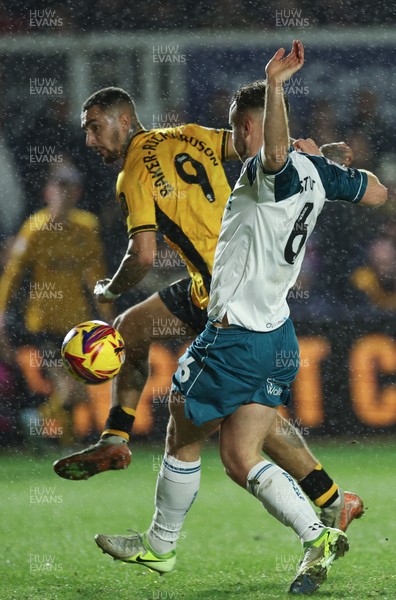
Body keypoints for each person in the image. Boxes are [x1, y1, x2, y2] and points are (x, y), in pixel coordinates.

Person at [93, 41, 387, 594]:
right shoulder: (316, 175)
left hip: (233, 336)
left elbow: (274, 158)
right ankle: (318, 532)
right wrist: (330, 161)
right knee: (240, 454)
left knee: (182, 428)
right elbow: (376, 191)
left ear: (251, 129)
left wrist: (275, 85)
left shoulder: (264, 172)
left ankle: (159, 547)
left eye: (237, 128)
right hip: (278, 335)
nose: (234, 140)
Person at [53, 76, 363, 532]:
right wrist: (316, 158)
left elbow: (140, 255)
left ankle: (160, 527)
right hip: (230, 281)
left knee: (235, 427)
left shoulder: (133, 172)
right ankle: (116, 438)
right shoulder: (189, 135)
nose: (90, 139)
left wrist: (110, 288)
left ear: (124, 120)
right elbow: (256, 143)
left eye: (95, 127)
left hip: (225, 293)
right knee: (133, 331)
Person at [0, 161, 112, 445]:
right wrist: (1, 313)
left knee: (78, 391)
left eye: (70, 189)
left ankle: (64, 443)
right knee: (69, 387)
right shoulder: (35, 228)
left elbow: (96, 276)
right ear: (48, 192)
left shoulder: (86, 228)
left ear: (77, 193)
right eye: (59, 188)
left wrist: (107, 315)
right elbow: (12, 275)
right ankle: (38, 421)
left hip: (77, 321)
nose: (64, 195)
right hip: (45, 322)